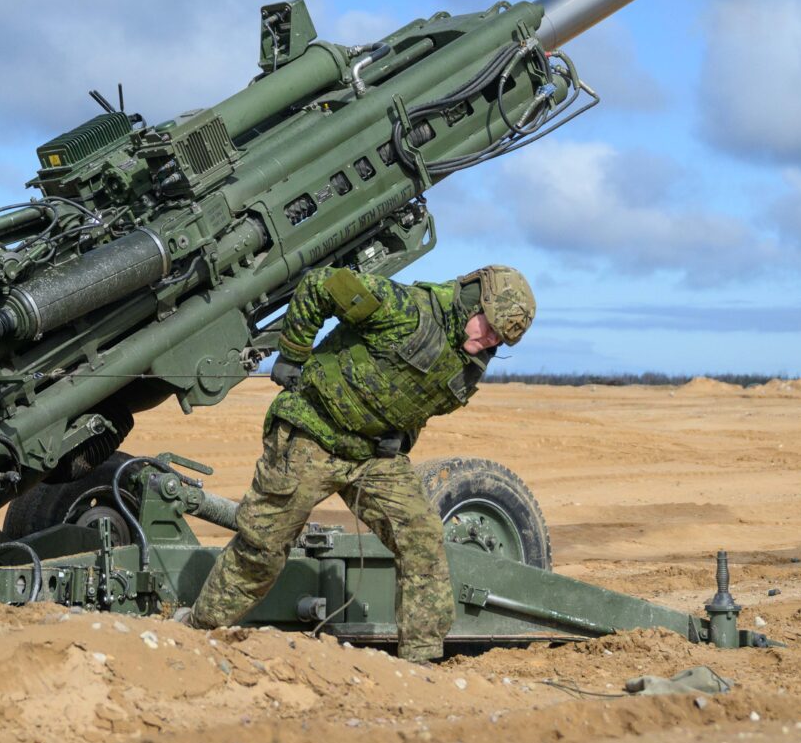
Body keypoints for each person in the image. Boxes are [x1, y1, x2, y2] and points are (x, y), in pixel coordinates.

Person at [178, 263, 536, 662]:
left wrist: (399, 438)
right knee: (262, 546)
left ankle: (421, 660)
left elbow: (416, 404)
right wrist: (292, 355)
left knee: (421, 538)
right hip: (313, 432)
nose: (487, 340)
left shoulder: (468, 365)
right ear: (473, 302)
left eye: (498, 339)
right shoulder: (406, 309)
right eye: (486, 326)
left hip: (372, 457)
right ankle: (197, 632)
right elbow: (322, 284)